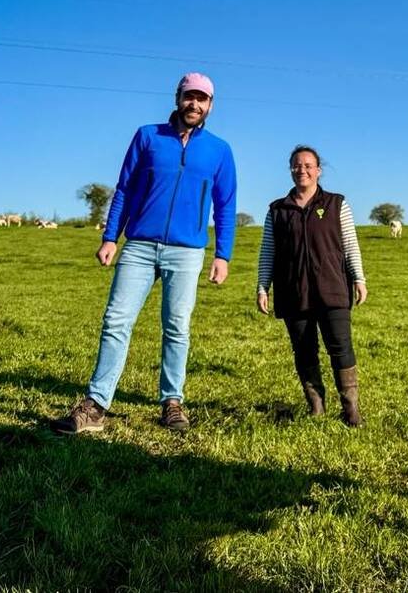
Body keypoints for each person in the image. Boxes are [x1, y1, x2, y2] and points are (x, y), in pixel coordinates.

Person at [52, 72, 237, 435]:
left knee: (177, 327)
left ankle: (172, 401)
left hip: (187, 251)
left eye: (202, 99)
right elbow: (124, 188)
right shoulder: (147, 136)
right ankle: (96, 405)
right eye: (189, 97)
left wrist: (222, 255)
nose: (194, 104)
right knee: (116, 321)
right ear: (178, 97)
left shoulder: (219, 150)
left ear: (210, 105)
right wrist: (110, 237)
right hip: (138, 245)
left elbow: (225, 205)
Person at [257, 146, 367, 426]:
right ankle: (316, 406)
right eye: (297, 165)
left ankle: (350, 408)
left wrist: (359, 278)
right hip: (293, 291)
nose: (302, 169)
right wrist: (262, 286)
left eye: (308, 165)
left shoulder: (336, 204)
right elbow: (267, 251)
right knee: (304, 350)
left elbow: (350, 244)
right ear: (290, 169)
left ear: (319, 170)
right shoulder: (277, 210)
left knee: (341, 347)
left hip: (332, 288)